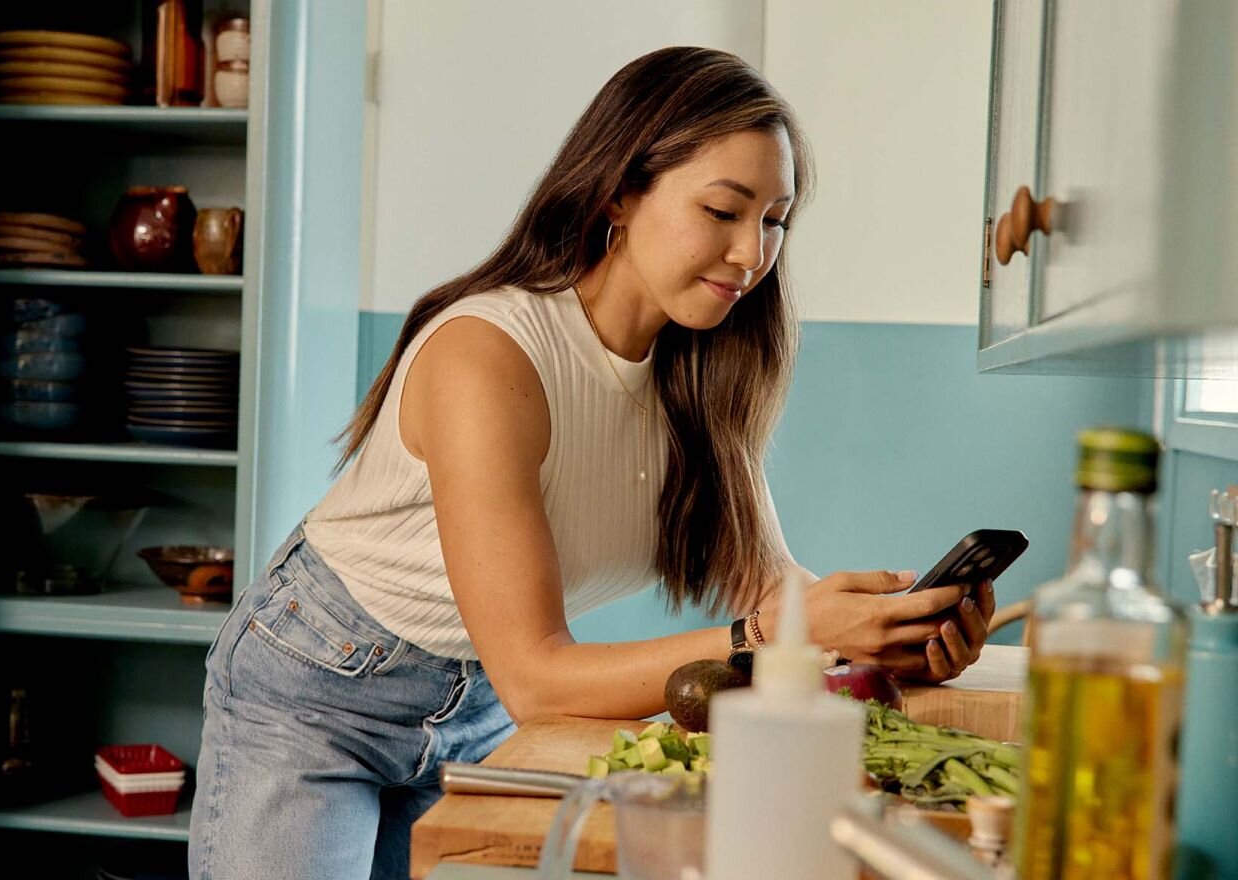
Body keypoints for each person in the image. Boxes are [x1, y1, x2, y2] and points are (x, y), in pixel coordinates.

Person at [188, 45, 994, 880]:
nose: (753, 255)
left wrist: (882, 635)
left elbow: (768, 585)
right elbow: (539, 673)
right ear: (618, 194)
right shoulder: (489, 356)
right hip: (320, 687)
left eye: (775, 220)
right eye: (723, 210)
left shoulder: (703, 377)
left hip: (483, 708)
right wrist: (777, 637)